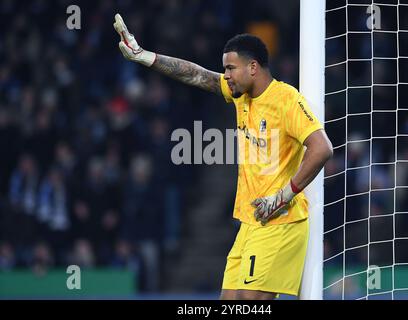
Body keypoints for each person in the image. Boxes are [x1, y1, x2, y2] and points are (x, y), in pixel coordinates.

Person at [113, 14, 333, 300]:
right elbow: (197, 75)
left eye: (231, 68)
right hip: (251, 223)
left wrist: (283, 195)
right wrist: (145, 57)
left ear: (253, 68)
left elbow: (322, 148)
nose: (226, 75)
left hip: (280, 221)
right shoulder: (241, 94)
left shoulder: (286, 100)